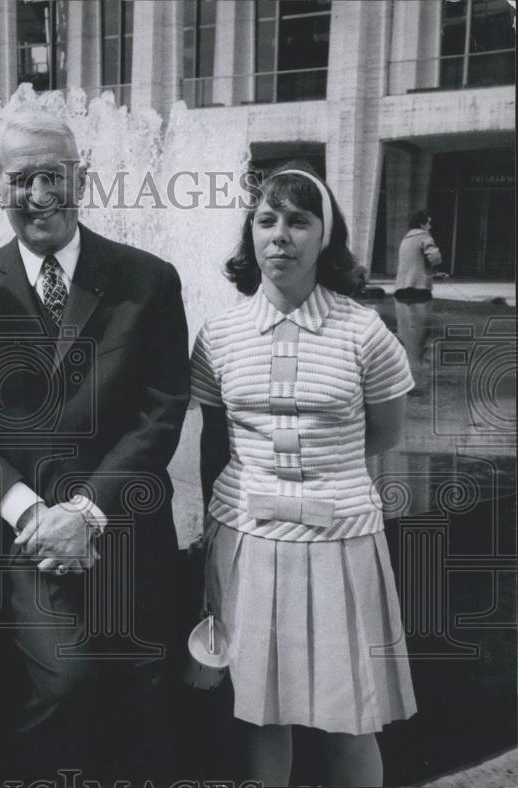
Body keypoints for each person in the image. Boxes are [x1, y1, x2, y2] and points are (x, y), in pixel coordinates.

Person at [0, 113, 190, 783]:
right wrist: (31, 514)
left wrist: (86, 511)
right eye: (19, 180)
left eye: (52, 175)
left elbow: (162, 412)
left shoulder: (149, 281)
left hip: (127, 527)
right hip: (24, 538)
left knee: (141, 694)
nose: (38, 195)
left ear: (79, 179)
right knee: (62, 686)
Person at [191, 162, 416, 787]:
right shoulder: (218, 335)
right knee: (261, 715)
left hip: (341, 540)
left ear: (326, 237)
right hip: (249, 541)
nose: (280, 235)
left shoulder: (364, 331)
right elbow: (216, 444)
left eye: (298, 221)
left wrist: (325, 485)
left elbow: (386, 434)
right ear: (250, 236)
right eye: (266, 221)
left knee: (350, 718)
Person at [394, 209, 442, 301]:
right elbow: (435, 258)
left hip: (401, 288)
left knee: (404, 314)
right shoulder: (424, 236)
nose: (430, 226)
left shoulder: (405, 239)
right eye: (429, 223)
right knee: (422, 314)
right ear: (422, 224)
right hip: (419, 288)